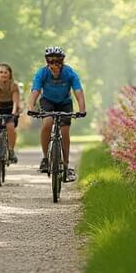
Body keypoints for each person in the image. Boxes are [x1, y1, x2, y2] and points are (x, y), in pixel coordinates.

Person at [25, 46, 86, 183]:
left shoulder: (70, 73)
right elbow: (35, 91)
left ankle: (65, 165)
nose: (54, 65)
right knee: (47, 123)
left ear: (62, 62)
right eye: (51, 62)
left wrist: (82, 109)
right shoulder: (42, 73)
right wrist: (30, 107)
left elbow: (78, 92)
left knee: (64, 131)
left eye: (58, 62)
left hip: (65, 102)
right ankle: (46, 159)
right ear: (47, 62)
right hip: (47, 101)